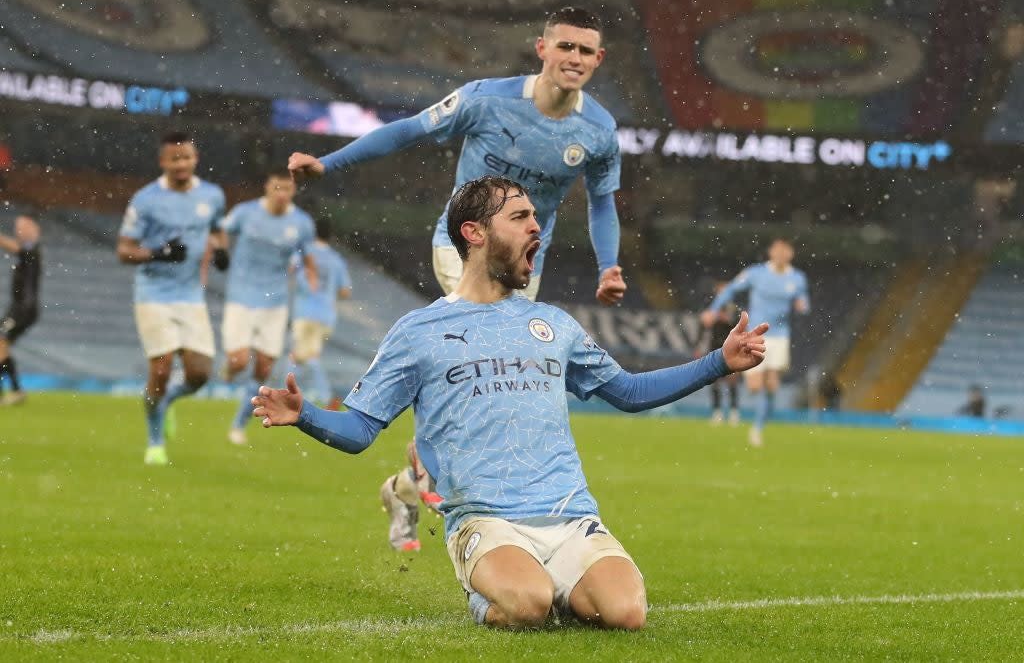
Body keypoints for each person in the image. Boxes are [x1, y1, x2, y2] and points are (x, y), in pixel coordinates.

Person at [252, 176, 769, 629]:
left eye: (536, 219)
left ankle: (553, 579)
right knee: (528, 606)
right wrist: (305, 416)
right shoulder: (418, 332)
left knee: (627, 614)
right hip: (485, 517)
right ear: (474, 233)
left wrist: (718, 362)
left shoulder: (555, 325)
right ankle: (491, 588)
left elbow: (630, 393)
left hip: (568, 512)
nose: (535, 229)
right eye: (520, 217)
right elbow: (360, 430)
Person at [288, 5, 628, 551]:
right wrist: (331, 164)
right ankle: (425, 460)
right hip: (462, 249)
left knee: (498, 383)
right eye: (565, 46)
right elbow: (406, 132)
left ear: (599, 60)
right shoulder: (484, 100)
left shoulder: (599, 131)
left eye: (586, 51)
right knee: (472, 352)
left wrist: (608, 264)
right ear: (541, 49)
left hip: (524, 266)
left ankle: (408, 485)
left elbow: (602, 206)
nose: (575, 58)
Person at [117, 131, 226, 465]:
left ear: (196, 159)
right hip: (154, 294)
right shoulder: (146, 199)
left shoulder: (212, 195)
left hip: (191, 295)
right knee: (161, 370)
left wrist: (221, 250)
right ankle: (154, 442)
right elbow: (124, 250)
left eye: (186, 157)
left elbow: (217, 230)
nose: (181, 164)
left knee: (199, 375)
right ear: (162, 161)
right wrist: (158, 253)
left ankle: (166, 402)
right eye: (174, 158)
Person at [215, 170, 317, 446]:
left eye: (287, 189)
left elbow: (308, 257)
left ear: (293, 191)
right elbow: (220, 230)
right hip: (241, 296)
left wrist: (311, 281)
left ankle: (238, 424)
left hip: (275, 302)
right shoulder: (245, 213)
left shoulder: (302, 223)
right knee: (238, 361)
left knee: (263, 368)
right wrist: (220, 250)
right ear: (267, 188)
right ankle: (229, 370)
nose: (282, 194)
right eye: (277, 188)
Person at [701, 238, 810, 447]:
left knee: (770, 385)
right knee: (756, 385)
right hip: (756, 334)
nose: (780, 255)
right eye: (776, 251)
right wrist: (714, 309)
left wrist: (801, 305)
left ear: (790, 255)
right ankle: (758, 414)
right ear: (771, 253)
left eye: (784, 251)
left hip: (780, 336)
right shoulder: (756, 274)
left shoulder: (797, 278)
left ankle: (757, 428)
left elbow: (804, 302)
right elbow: (731, 289)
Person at [289, 217, 352, 407]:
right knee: (304, 356)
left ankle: (324, 397)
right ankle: (296, 395)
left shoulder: (303, 253)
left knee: (302, 357)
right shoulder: (336, 259)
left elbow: (291, 270)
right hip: (325, 315)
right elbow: (345, 291)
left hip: (305, 311)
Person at [0, 214, 41, 405]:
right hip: (17, 307)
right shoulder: (28, 252)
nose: (19, 231)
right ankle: (14, 390)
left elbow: (18, 248)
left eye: (23, 227)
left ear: (34, 231)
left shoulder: (32, 250)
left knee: (1, 343)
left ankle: (16, 390)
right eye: (17, 227)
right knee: (2, 346)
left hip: (24, 309)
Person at [701, 281, 741, 425]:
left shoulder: (735, 308)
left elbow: (740, 325)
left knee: (732, 381)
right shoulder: (711, 308)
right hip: (714, 347)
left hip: (731, 348)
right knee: (715, 381)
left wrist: (727, 319)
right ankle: (717, 411)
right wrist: (699, 346)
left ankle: (734, 411)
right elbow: (704, 326)